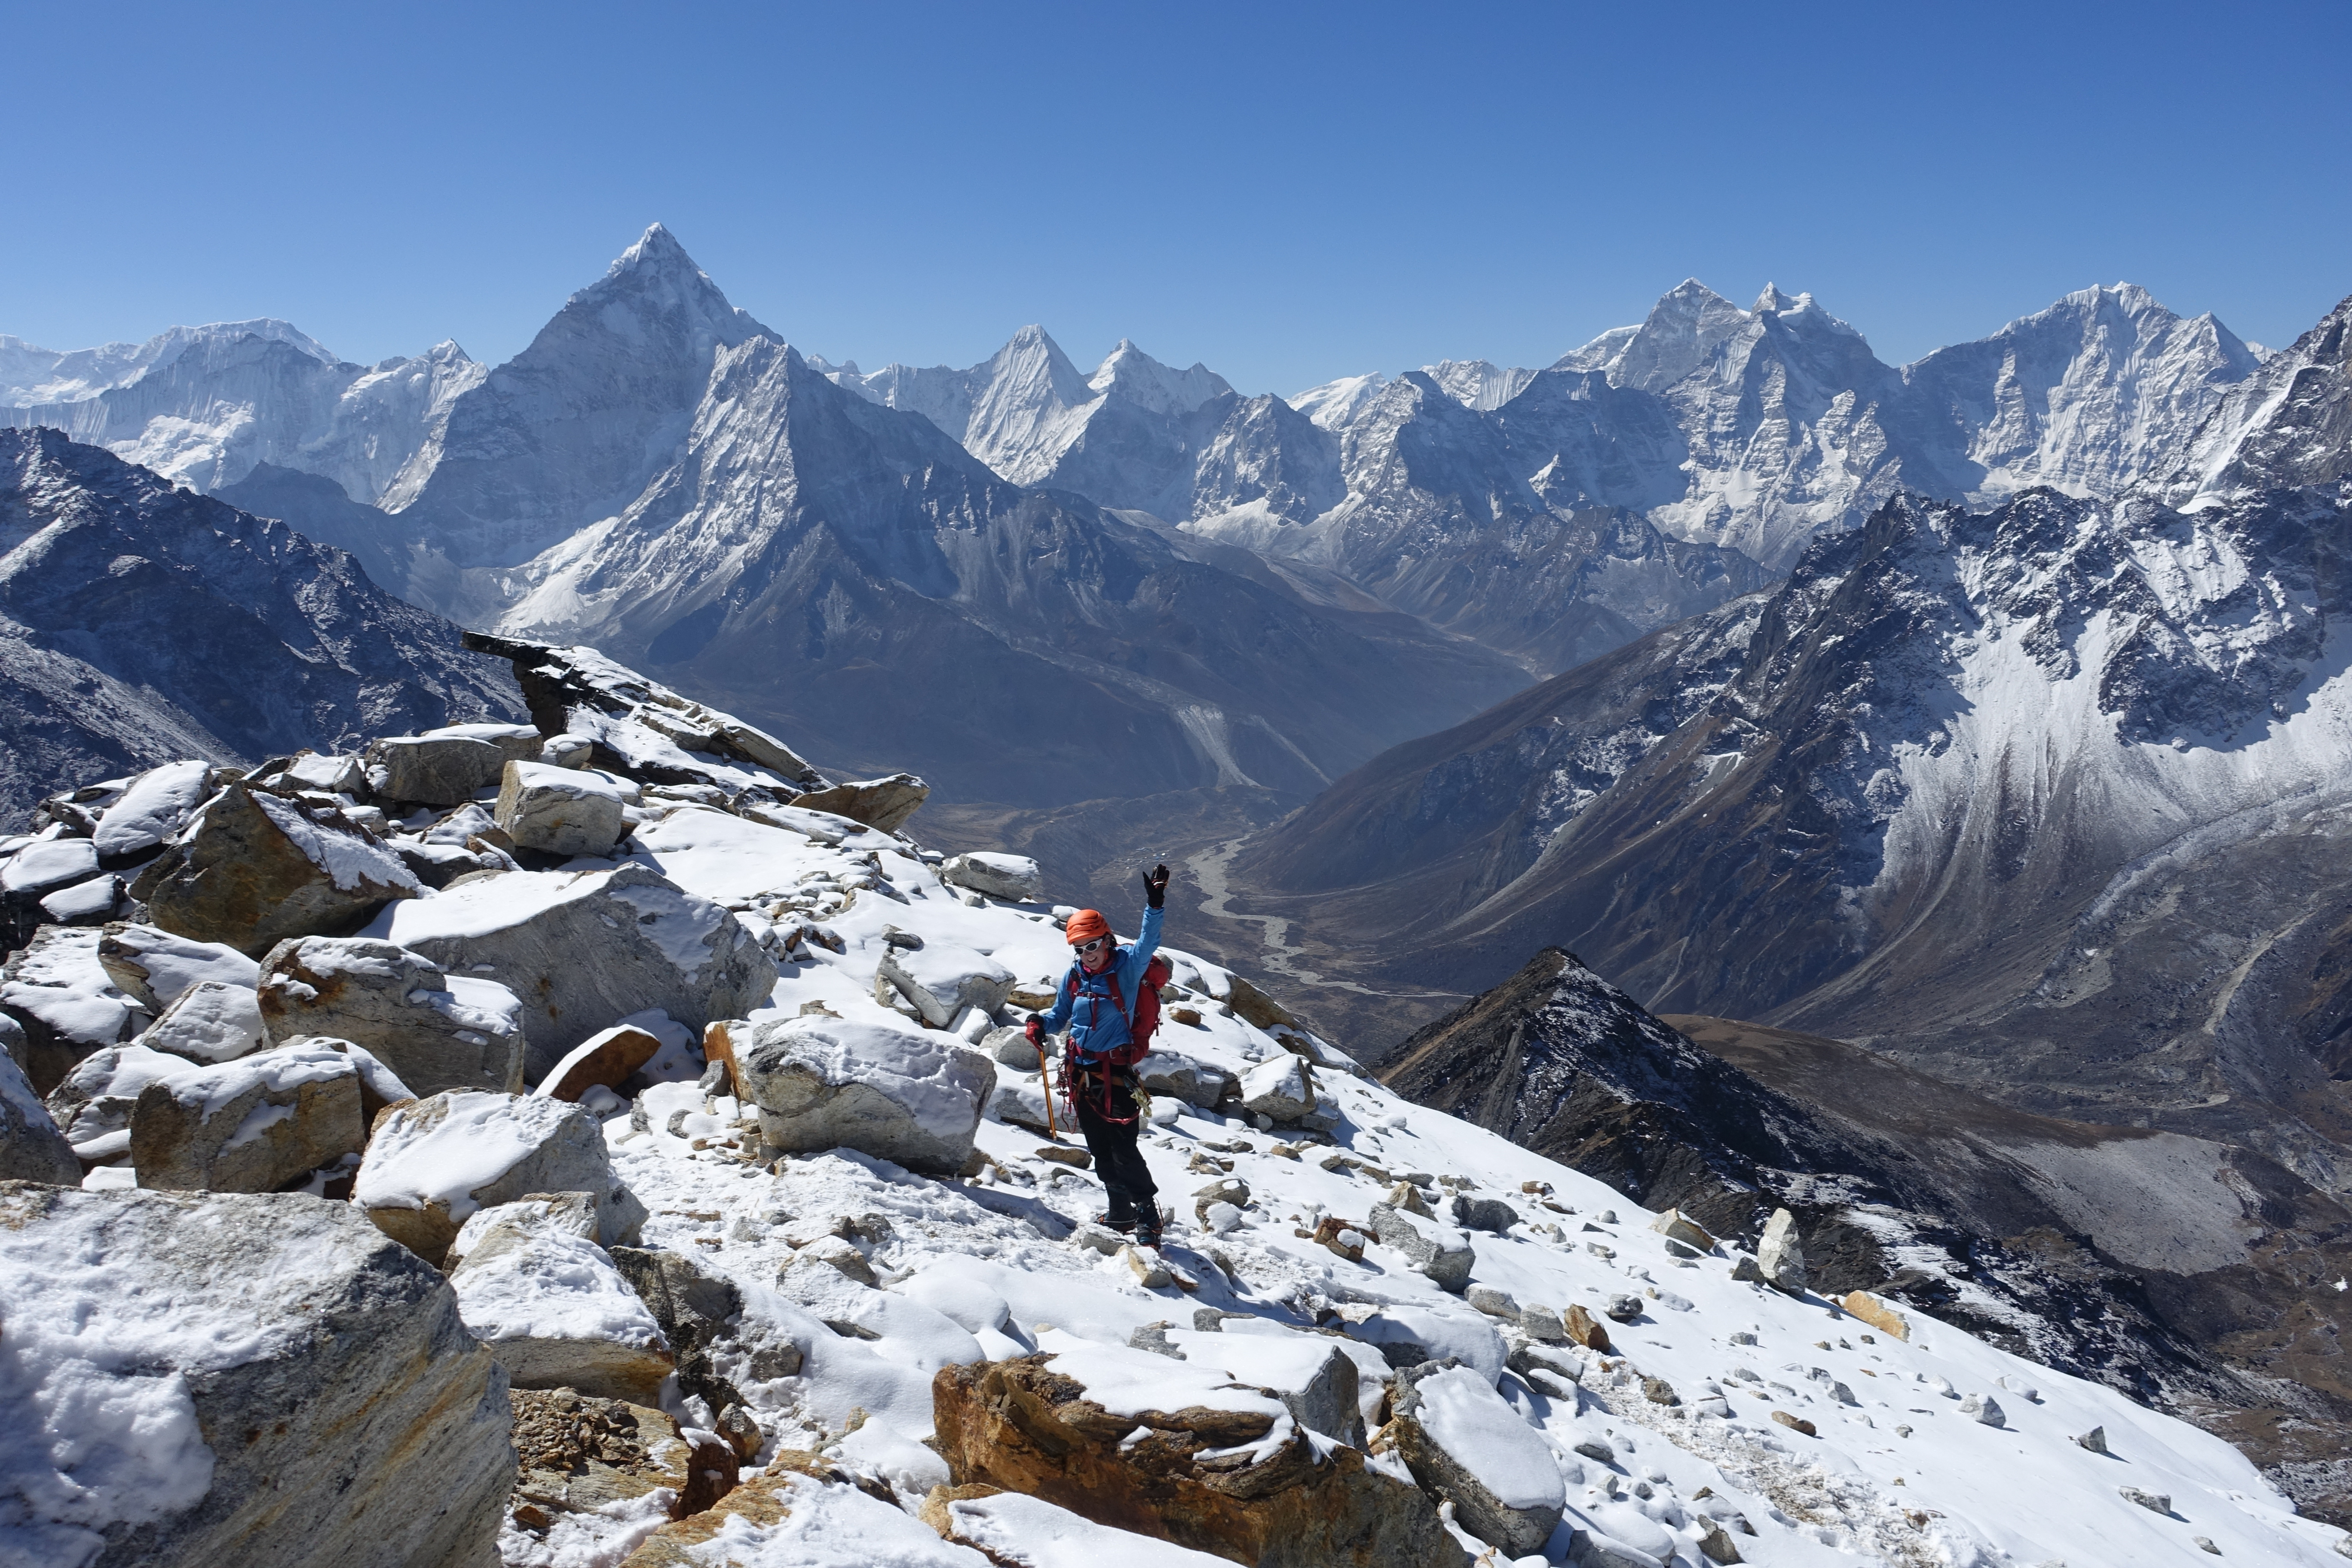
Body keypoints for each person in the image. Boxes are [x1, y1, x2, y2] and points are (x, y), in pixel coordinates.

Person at [1028, 863, 1171, 1245]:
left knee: (1125, 1150)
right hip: (1081, 1073)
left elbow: (1148, 942)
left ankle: (1147, 1214)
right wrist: (1040, 1024)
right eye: (1080, 948)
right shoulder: (1076, 976)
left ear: (1107, 939)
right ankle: (1120, 1211)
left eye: (1092, 945)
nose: (1087, 954)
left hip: (1117, 1075)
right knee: (1100, 1149)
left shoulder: (1126, 969)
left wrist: (1154, 903)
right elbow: (1060, 1014)